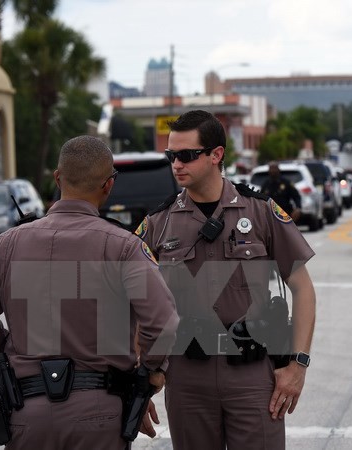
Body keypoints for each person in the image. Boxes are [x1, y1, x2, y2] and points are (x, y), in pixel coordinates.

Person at [0, 135, 179, 449]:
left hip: (25, 412)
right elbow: (163, 323)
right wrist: (152, 374)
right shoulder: (123, 246)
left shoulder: (6, 245)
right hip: (100, 412)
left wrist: (9, 348)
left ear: (58, 178)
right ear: (109, 185)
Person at [135, 110, 317, 450]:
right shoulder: (159, 222)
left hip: (252, 373)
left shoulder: (260, 211)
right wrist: (138, 379)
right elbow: (134, 303)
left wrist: (298, 365)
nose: (176, 164)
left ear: (216, 154)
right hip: (187, 376)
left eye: (186, 155)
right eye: (171, 156)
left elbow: (302, 287)